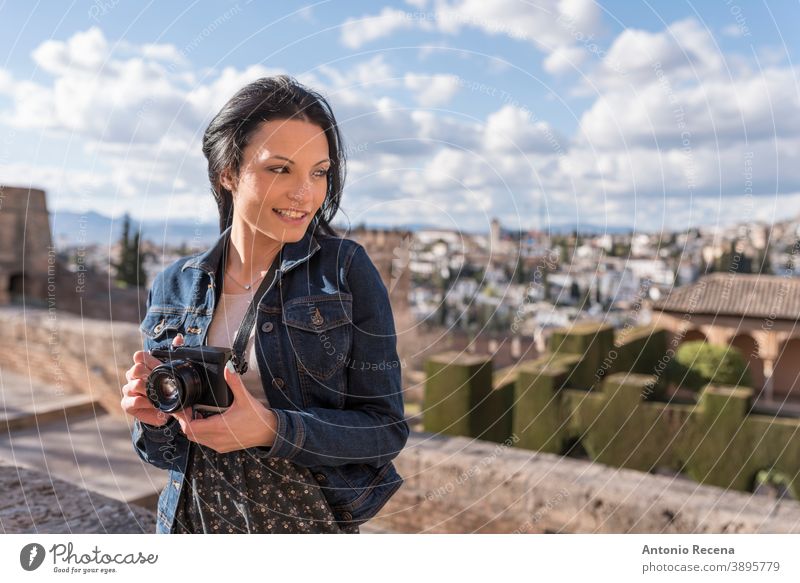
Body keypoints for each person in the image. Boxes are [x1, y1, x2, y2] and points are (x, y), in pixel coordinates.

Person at [121, 75, 409, 534]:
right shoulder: (173, 284)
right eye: (281, 169)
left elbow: (385, 429)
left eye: (319, 172)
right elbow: (163, 455)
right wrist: (152, 418)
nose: (306, 193)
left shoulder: (345, 270)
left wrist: (273, 430)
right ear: (228, 172)